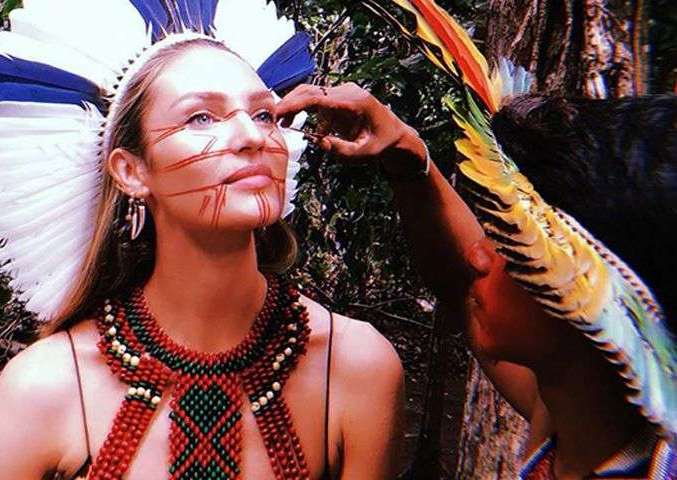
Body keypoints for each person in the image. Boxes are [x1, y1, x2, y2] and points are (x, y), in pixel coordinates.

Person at [0, 1, 404, 479]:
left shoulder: (357, 365)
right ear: (131, 171)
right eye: (201, 118)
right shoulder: (42, 389)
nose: (252, 135)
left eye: (264, 114)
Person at [276, 81, 677, 479]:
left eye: (513, 239)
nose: (478, 254)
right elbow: (461, 283)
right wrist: (402, 148)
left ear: (598, 304)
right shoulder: (578, 411)